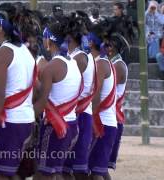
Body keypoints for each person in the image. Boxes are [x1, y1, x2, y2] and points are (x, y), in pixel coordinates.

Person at [0, 3, 36, 180]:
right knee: (10, 173)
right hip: (26, 119)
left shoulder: (2, 54)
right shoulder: (25, 51)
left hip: (10, 122)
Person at [33, 22, 82, 180]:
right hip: (72, 125)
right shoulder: (73, 63)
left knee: (43, 174)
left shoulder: (51, 67)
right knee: (55, 171)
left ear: (49, 40)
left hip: (55, 127)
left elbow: (42, 102)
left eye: (44, 37)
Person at [63, 17, 96, 180]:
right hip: (80, 112)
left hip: (80, 113)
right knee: (71, 168)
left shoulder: (78, 58)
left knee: (74, 169)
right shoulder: (78, 55)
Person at [88, 26, 117, 180]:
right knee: (100, 170)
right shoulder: (104, 62)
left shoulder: (100, 64)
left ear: (91, 42)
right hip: (106, 122)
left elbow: (96, 96)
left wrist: (89, 123)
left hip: (102, 124)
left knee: (96, 173)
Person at [104, 34, 128, 180]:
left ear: (115, 49)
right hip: (110, 115)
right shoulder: (111, 62)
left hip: (113, 116)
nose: (106, 48)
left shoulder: (118, 65)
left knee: (99, 168)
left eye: (109, 45)